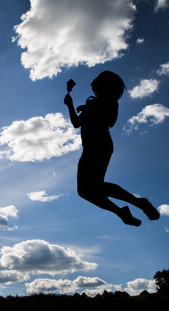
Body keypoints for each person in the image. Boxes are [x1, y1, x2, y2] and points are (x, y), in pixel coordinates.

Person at [64, 71, 160, 226]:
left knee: (89, 188)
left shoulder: (110, 102)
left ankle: (135, 205)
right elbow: (76, 123)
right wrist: (70, 105)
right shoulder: (92, 103)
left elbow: (110, 121)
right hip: (91, 148)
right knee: (87, 190)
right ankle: (126, 211)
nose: (95, 89)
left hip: (99, 146)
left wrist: (91, 109)